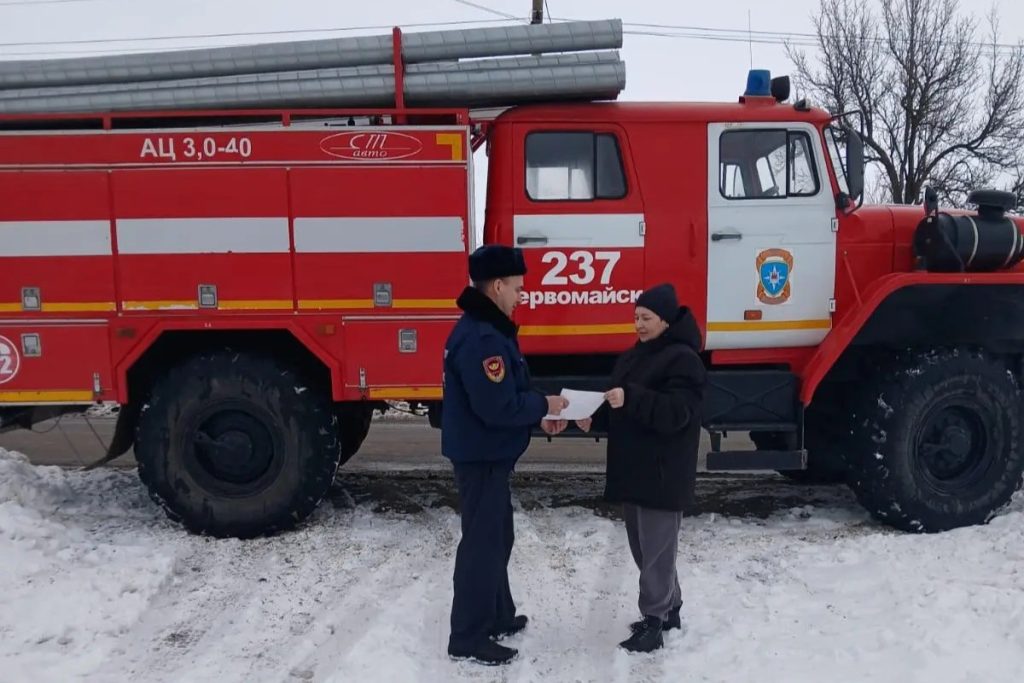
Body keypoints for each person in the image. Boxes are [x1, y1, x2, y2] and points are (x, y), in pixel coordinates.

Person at [441, 244, 569, 666]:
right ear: (496, 286)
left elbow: (507, 397)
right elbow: (497, 407)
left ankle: (496, 614)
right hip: (482, 458)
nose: (521, 296)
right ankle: (468, 636)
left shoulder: (489, 330)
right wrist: (543, 407)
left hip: (489, 455)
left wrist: (536, 415)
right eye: (516, 287)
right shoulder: (482, 338)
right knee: (482, 545)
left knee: (498, 538)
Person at [577, 283, 706, 653]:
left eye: (646, 318)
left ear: (665, 320)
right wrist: (595, 419)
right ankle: (671, 607)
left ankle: (653, 622)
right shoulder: (635, 356)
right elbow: (618, 405)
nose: (639, 324)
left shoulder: (684, 359)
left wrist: (632, 397)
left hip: (663, 473)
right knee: (646, 549)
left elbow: (677, 413)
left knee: (657, 551)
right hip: (635, 471)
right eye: (636, 317)